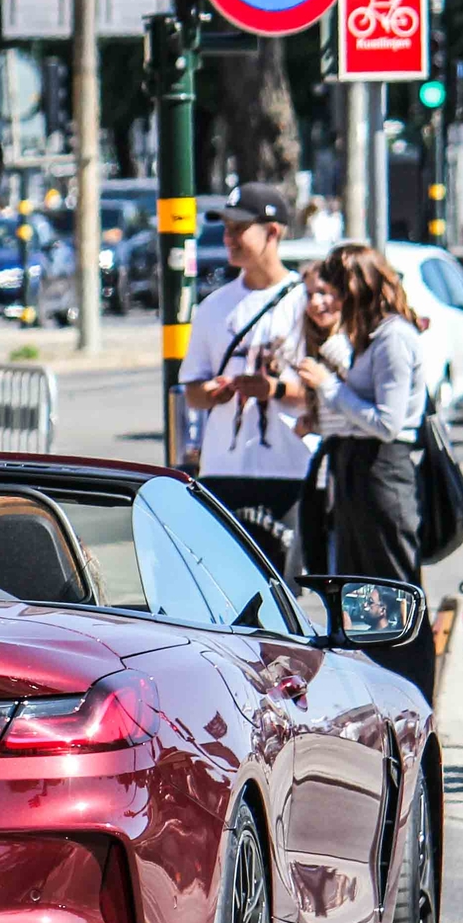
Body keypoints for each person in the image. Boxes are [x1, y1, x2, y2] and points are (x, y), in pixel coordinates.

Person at [294, 243, 434, 699]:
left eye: (338, 285)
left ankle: (413, 700)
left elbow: (388, 422)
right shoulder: (370, 337)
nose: (330, 296)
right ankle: (375, 700)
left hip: (383, 472)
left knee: (394, 592)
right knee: (357, 595)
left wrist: (331, 388)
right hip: (354, 469)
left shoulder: (395, 337)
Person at [177, 183, 308, 569]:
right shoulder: (214, 307)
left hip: (289, 470)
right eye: (226, 228)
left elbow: (322, 395)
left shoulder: (306, 303)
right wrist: (212, 392)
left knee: (284, 593)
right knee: (227, 589)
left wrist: (275, 388)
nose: (229, 238)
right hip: (223, 470)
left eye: (240, 228)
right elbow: (192, 392)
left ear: (273, 232)